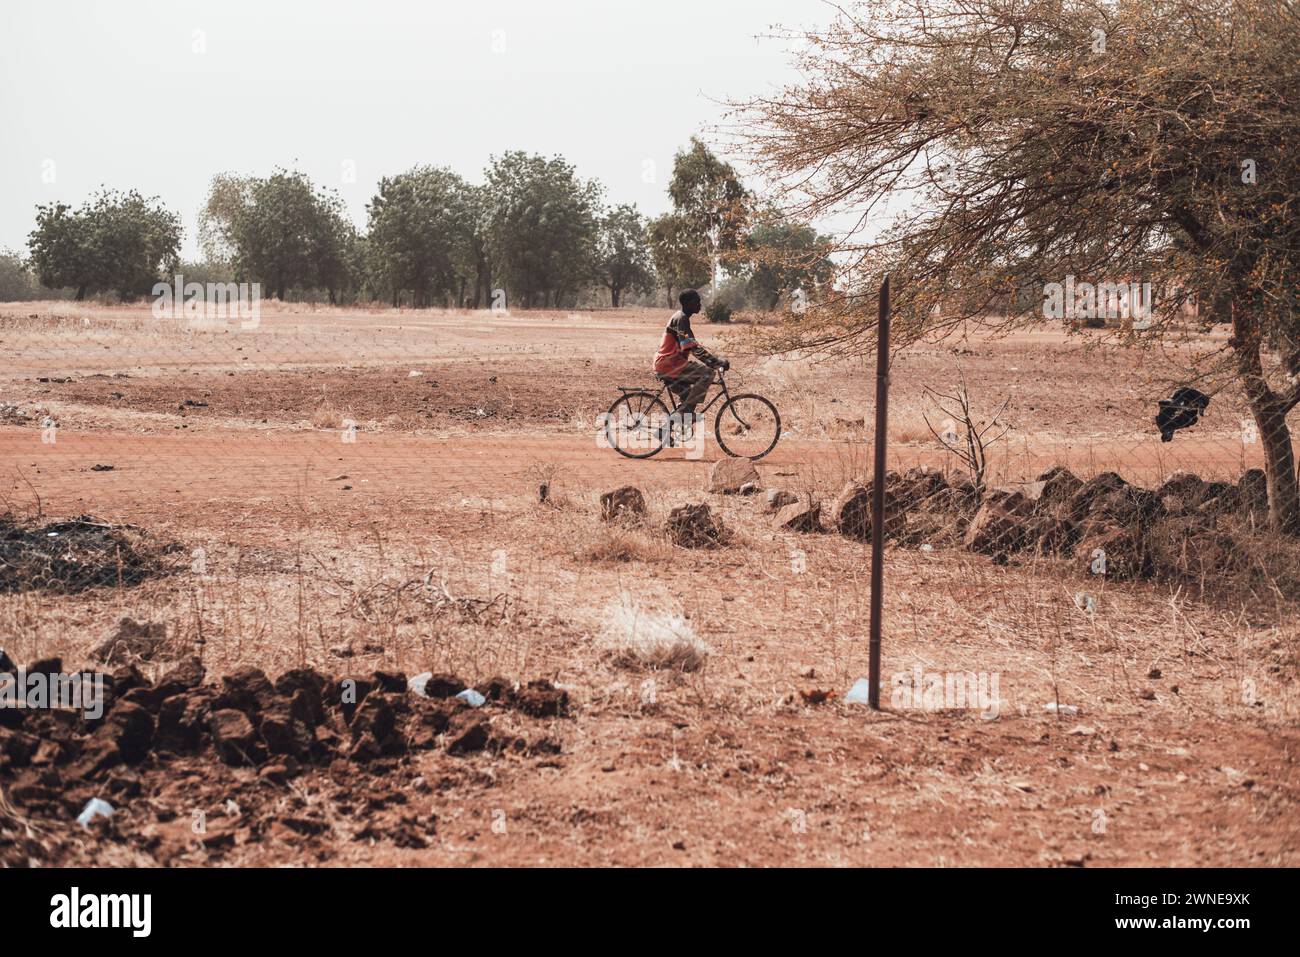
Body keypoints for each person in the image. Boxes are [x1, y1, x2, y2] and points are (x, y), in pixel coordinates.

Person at [653, 290, 728, 438]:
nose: (700, 304)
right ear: (688, 304)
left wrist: (712, 361)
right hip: (670, 364)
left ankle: (664, 431)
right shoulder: (681, 319)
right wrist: (715, 363)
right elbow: (692, 347)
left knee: (689, 398)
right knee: (707, 373)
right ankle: (685, 414)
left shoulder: (681, 318)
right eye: (696, 301)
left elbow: (692, 345)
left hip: (668, 364)